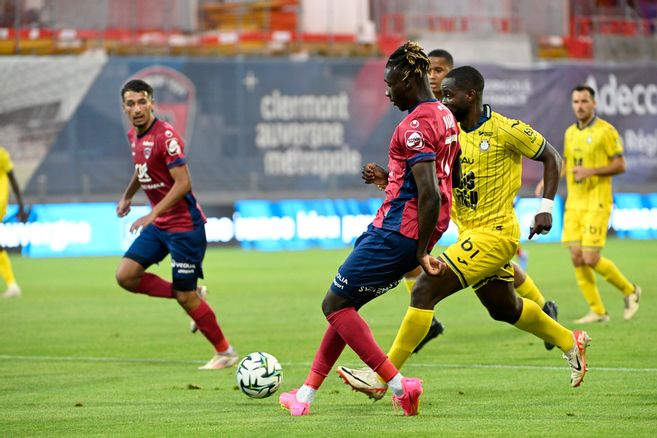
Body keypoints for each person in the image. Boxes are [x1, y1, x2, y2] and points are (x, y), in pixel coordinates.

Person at [337, 66, 591, 401]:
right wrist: (390, 179)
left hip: (496, 233)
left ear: (470, 95)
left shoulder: (506, 129)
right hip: (470, 232)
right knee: (503, 308)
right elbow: (431, 179)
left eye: (449, 94)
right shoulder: (449, 131)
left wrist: (544, 207)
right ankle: (568, 340)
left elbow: (551, 157)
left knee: (425, 288)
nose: (443, 100)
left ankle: (383, 376)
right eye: (441, 94)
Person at [278, 41, 461, 417]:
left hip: (396, 231)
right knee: (346, 307)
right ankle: (305, 397)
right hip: (410, 226)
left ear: (409, 80)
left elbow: (429, 193)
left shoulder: (414, 125)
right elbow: (443, 179)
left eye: (390, 84)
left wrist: (421, 251)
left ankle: (400, 386)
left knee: (332, 304)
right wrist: (390, 179)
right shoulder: (444, 114)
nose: (387, 92)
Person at [115, 79, 237, 370]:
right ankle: (191, 292)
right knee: (126, 276)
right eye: (130, 104)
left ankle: (225, 352)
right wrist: (128, 196)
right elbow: (140, 169)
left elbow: (183, 184)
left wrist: (151, 214)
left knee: (185, 297)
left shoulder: (166, 136)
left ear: (152, 103)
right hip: (161, 226)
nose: (137, 108)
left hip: (184, 227)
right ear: (124, 108)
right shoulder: (135, 136)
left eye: (142, 102)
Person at [537, 84, 640, 323]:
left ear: (593, 103)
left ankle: (630, 290)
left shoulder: (606, 131)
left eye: (584, 101)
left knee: (591, 258)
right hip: (575, 203)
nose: (580, 106)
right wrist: (547, 180)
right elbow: (569, 164)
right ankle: (598, 311)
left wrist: (592, 171)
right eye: (576, 102)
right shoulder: (570, 132)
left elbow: (621, 165)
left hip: (597, 202)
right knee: (576, 257)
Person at [403, 48, 454, 352]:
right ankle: (426, 320)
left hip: (453, 198)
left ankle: (541, 306)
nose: (433, 76)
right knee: (410, 262)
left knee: (493, 276)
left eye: (439, 70)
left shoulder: (457, 107)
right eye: (429, 71)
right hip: (438, 197)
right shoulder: (424, 110)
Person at [0, 146, 28, 298]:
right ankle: (12, 285)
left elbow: (13, 179)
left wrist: (21, 206)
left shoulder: (1, 154)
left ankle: (12, 285)